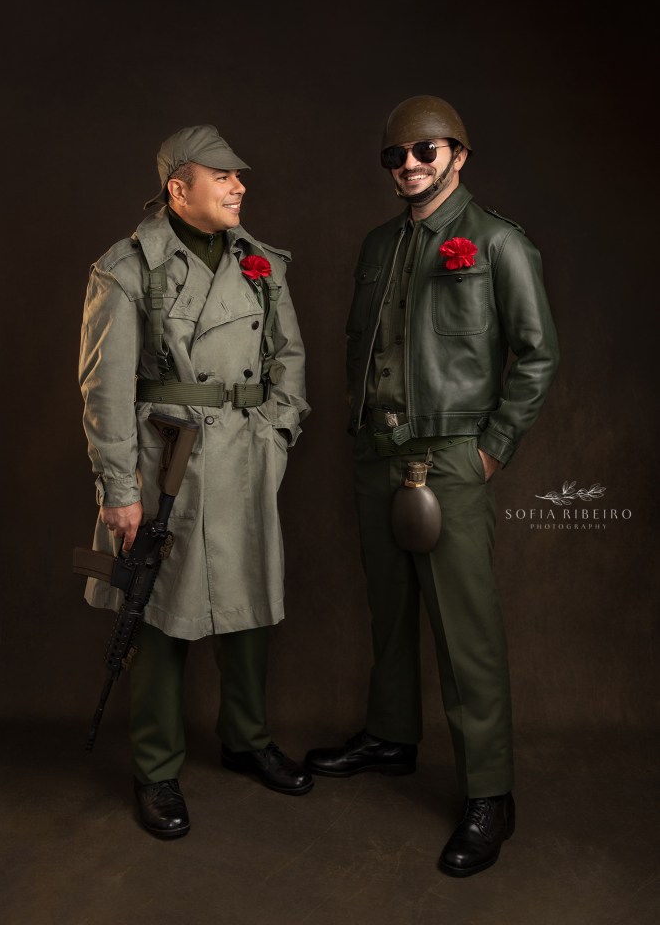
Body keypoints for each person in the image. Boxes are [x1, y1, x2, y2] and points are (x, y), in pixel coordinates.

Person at [305, 95, 559, 876]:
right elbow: (363, 350)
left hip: (450, 456)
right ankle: (390, 736)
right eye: (395, 156)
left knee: (464, 629)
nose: (408, 166)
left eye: (423, 152)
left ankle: (490, 793)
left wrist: (490, 450)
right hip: (376, 452)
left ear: (458, 155)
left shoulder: (496, 243)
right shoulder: (380, 244)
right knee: (389, 607)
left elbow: (537, 354)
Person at [79, 124, 313, 839]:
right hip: (166, 465)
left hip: (243, 457)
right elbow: (105, 388)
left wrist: (276, 432)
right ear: (179, 188)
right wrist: (120, 488)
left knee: (250, 605)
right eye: (222, 177)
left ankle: (245, 739)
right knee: (156, 615)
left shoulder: (260, 264)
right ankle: (156, 769)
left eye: (240, 176)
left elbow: (288, 356)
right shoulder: (126, 268)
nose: (239, 186)